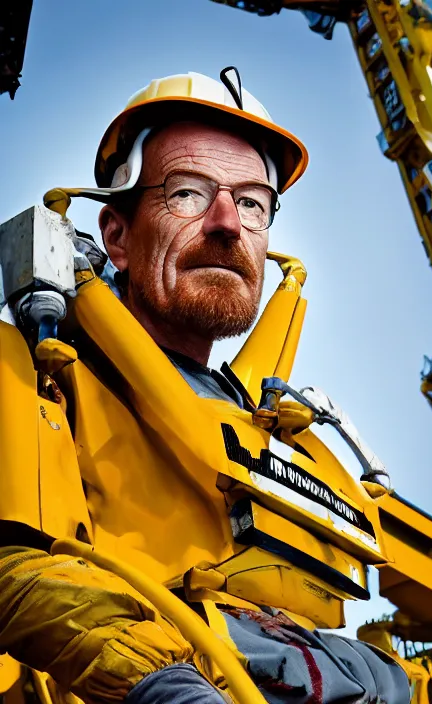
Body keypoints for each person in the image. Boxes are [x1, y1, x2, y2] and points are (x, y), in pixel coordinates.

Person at [0, 68, 409, 704]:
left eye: (252, 202)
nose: (227, 222)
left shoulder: (279, 433)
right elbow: (13, 568)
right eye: (188, 193)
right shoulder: (34, 367)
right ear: (116, 236)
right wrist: (164, 684)